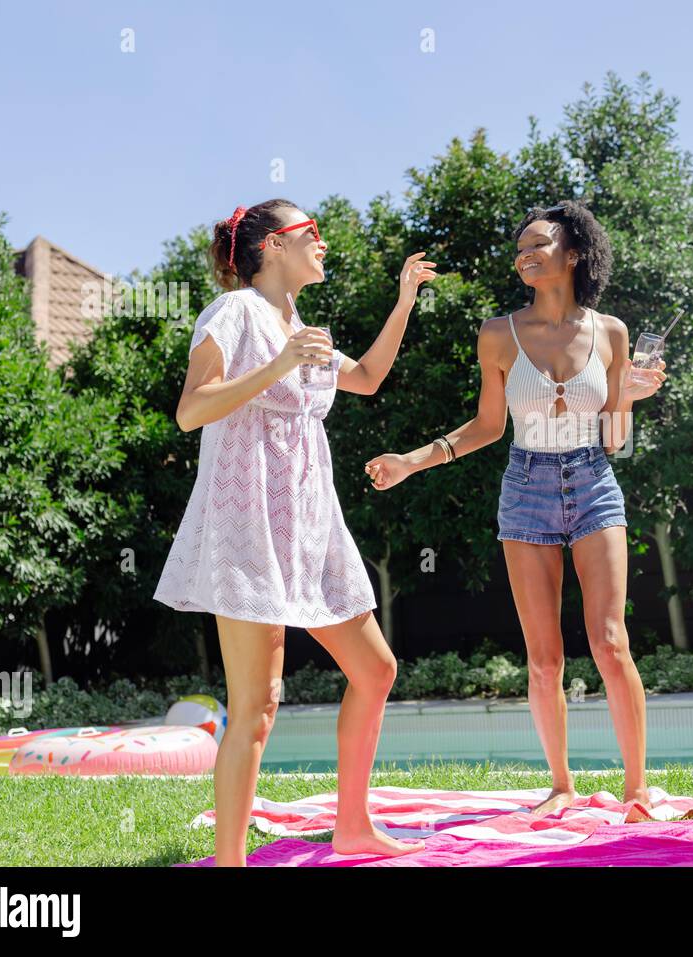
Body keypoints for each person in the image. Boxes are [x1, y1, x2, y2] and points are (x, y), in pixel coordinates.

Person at [154, 198, 436, 864]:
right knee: (257, 704)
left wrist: (403, 300)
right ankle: (230, 862)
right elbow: (191, 410)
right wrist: (279, 365)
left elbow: (365, 378)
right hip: (247, 524)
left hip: (310, 526)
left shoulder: (299, 324)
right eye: (313, 233)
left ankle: (354, 826)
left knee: (375, 668)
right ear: (274, 245)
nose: (325, 244)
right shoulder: (235, 313)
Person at [364, 200, 667, 815]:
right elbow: (486, 426)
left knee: (610, 642)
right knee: (544, 655)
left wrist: (630, 397)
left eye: (538, 245)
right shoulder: (498, 333)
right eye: (520, 248)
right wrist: (412, 461)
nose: (523, 256)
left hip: (593, 479)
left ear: (574, 253)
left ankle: (637, 790)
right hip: (526, 485)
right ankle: (561, 786)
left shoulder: (610, 331)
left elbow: (614, 437)